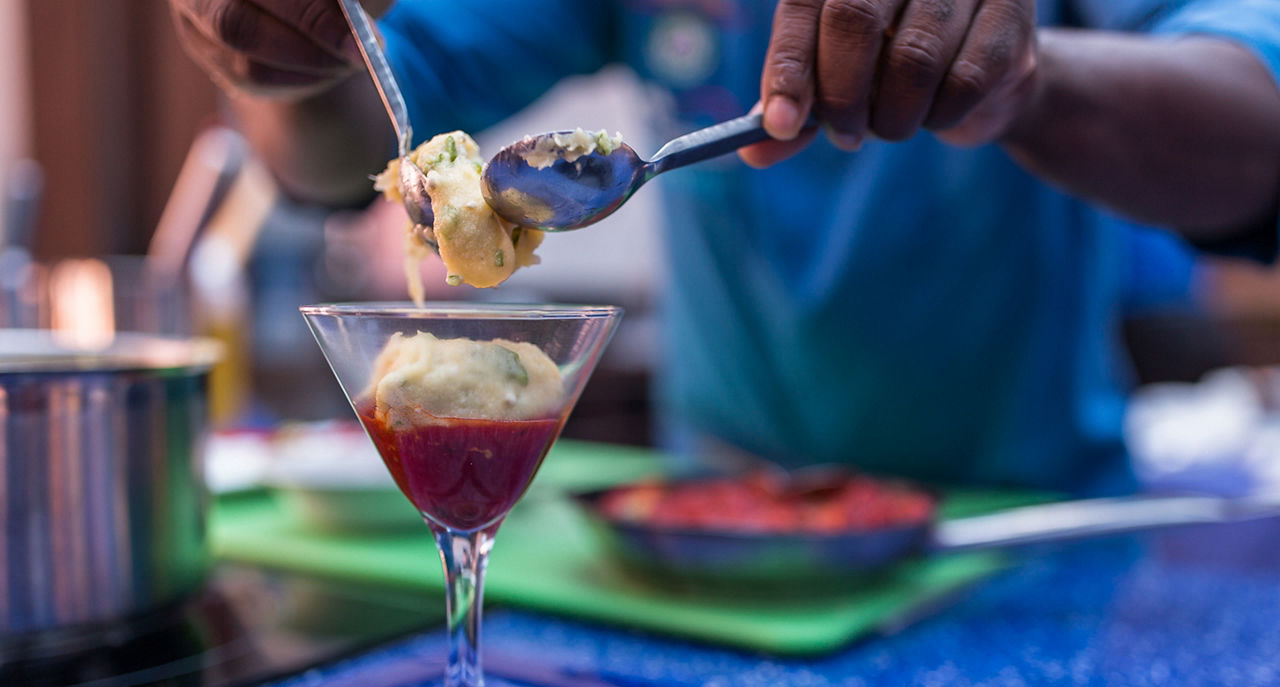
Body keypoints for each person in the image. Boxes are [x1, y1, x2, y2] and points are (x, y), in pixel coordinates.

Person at [168, 0, 1280, 495]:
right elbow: (352, 139)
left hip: (1020, 543)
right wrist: (279, 60)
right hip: (714, 542)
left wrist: (1027, 85)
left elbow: (1257, 128)